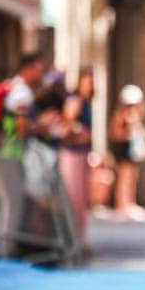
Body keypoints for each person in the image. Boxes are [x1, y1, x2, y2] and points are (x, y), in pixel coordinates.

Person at [59, 68, 94, 246]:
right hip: (72, 154)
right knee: (73, 198)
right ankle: (72, 238)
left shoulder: (87, 102)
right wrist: (79, 132)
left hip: (81, 153)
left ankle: (79, 237)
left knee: (81, 200)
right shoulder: (75, 101)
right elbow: (66, 127)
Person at [108, 84, 145, 221]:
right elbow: (115, 134)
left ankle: (129, 203)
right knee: (123, 179)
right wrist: (129, 132)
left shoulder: (135, 115)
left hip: (131, 152)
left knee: (131, 178)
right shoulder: (121, 116)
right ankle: (122, 205)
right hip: (123, 151)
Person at [0, 52, 46, 159]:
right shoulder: (23, 93)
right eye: (39, 71)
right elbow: (21, 128)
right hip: (14, 152)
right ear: (27, 69)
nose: (41, 75)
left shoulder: (15, 85)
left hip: (8, 150)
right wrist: (42, 127)